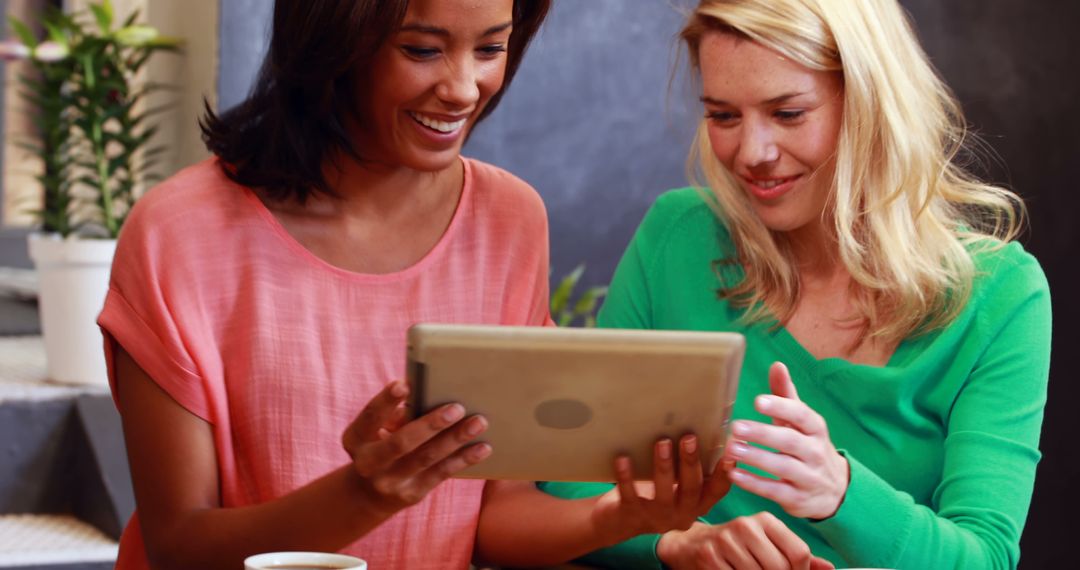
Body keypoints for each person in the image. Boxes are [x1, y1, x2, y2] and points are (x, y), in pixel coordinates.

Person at [98, 1, 734, 568]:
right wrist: (362, 495)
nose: (464, 88)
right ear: (334, 42)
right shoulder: (179, 233)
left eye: (490, 47)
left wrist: (627, 515)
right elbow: (178, 545)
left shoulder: (508, 219)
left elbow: (491, 518)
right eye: (422, 49)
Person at [541, 0, 1052, 568]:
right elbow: (569, 482)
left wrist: (839, 492)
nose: (752, 154)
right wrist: (675, 546)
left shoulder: (1003, 295)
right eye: (724, 116)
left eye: (787, 114)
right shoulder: (677, 238)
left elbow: (985, 558)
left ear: (869, 104)